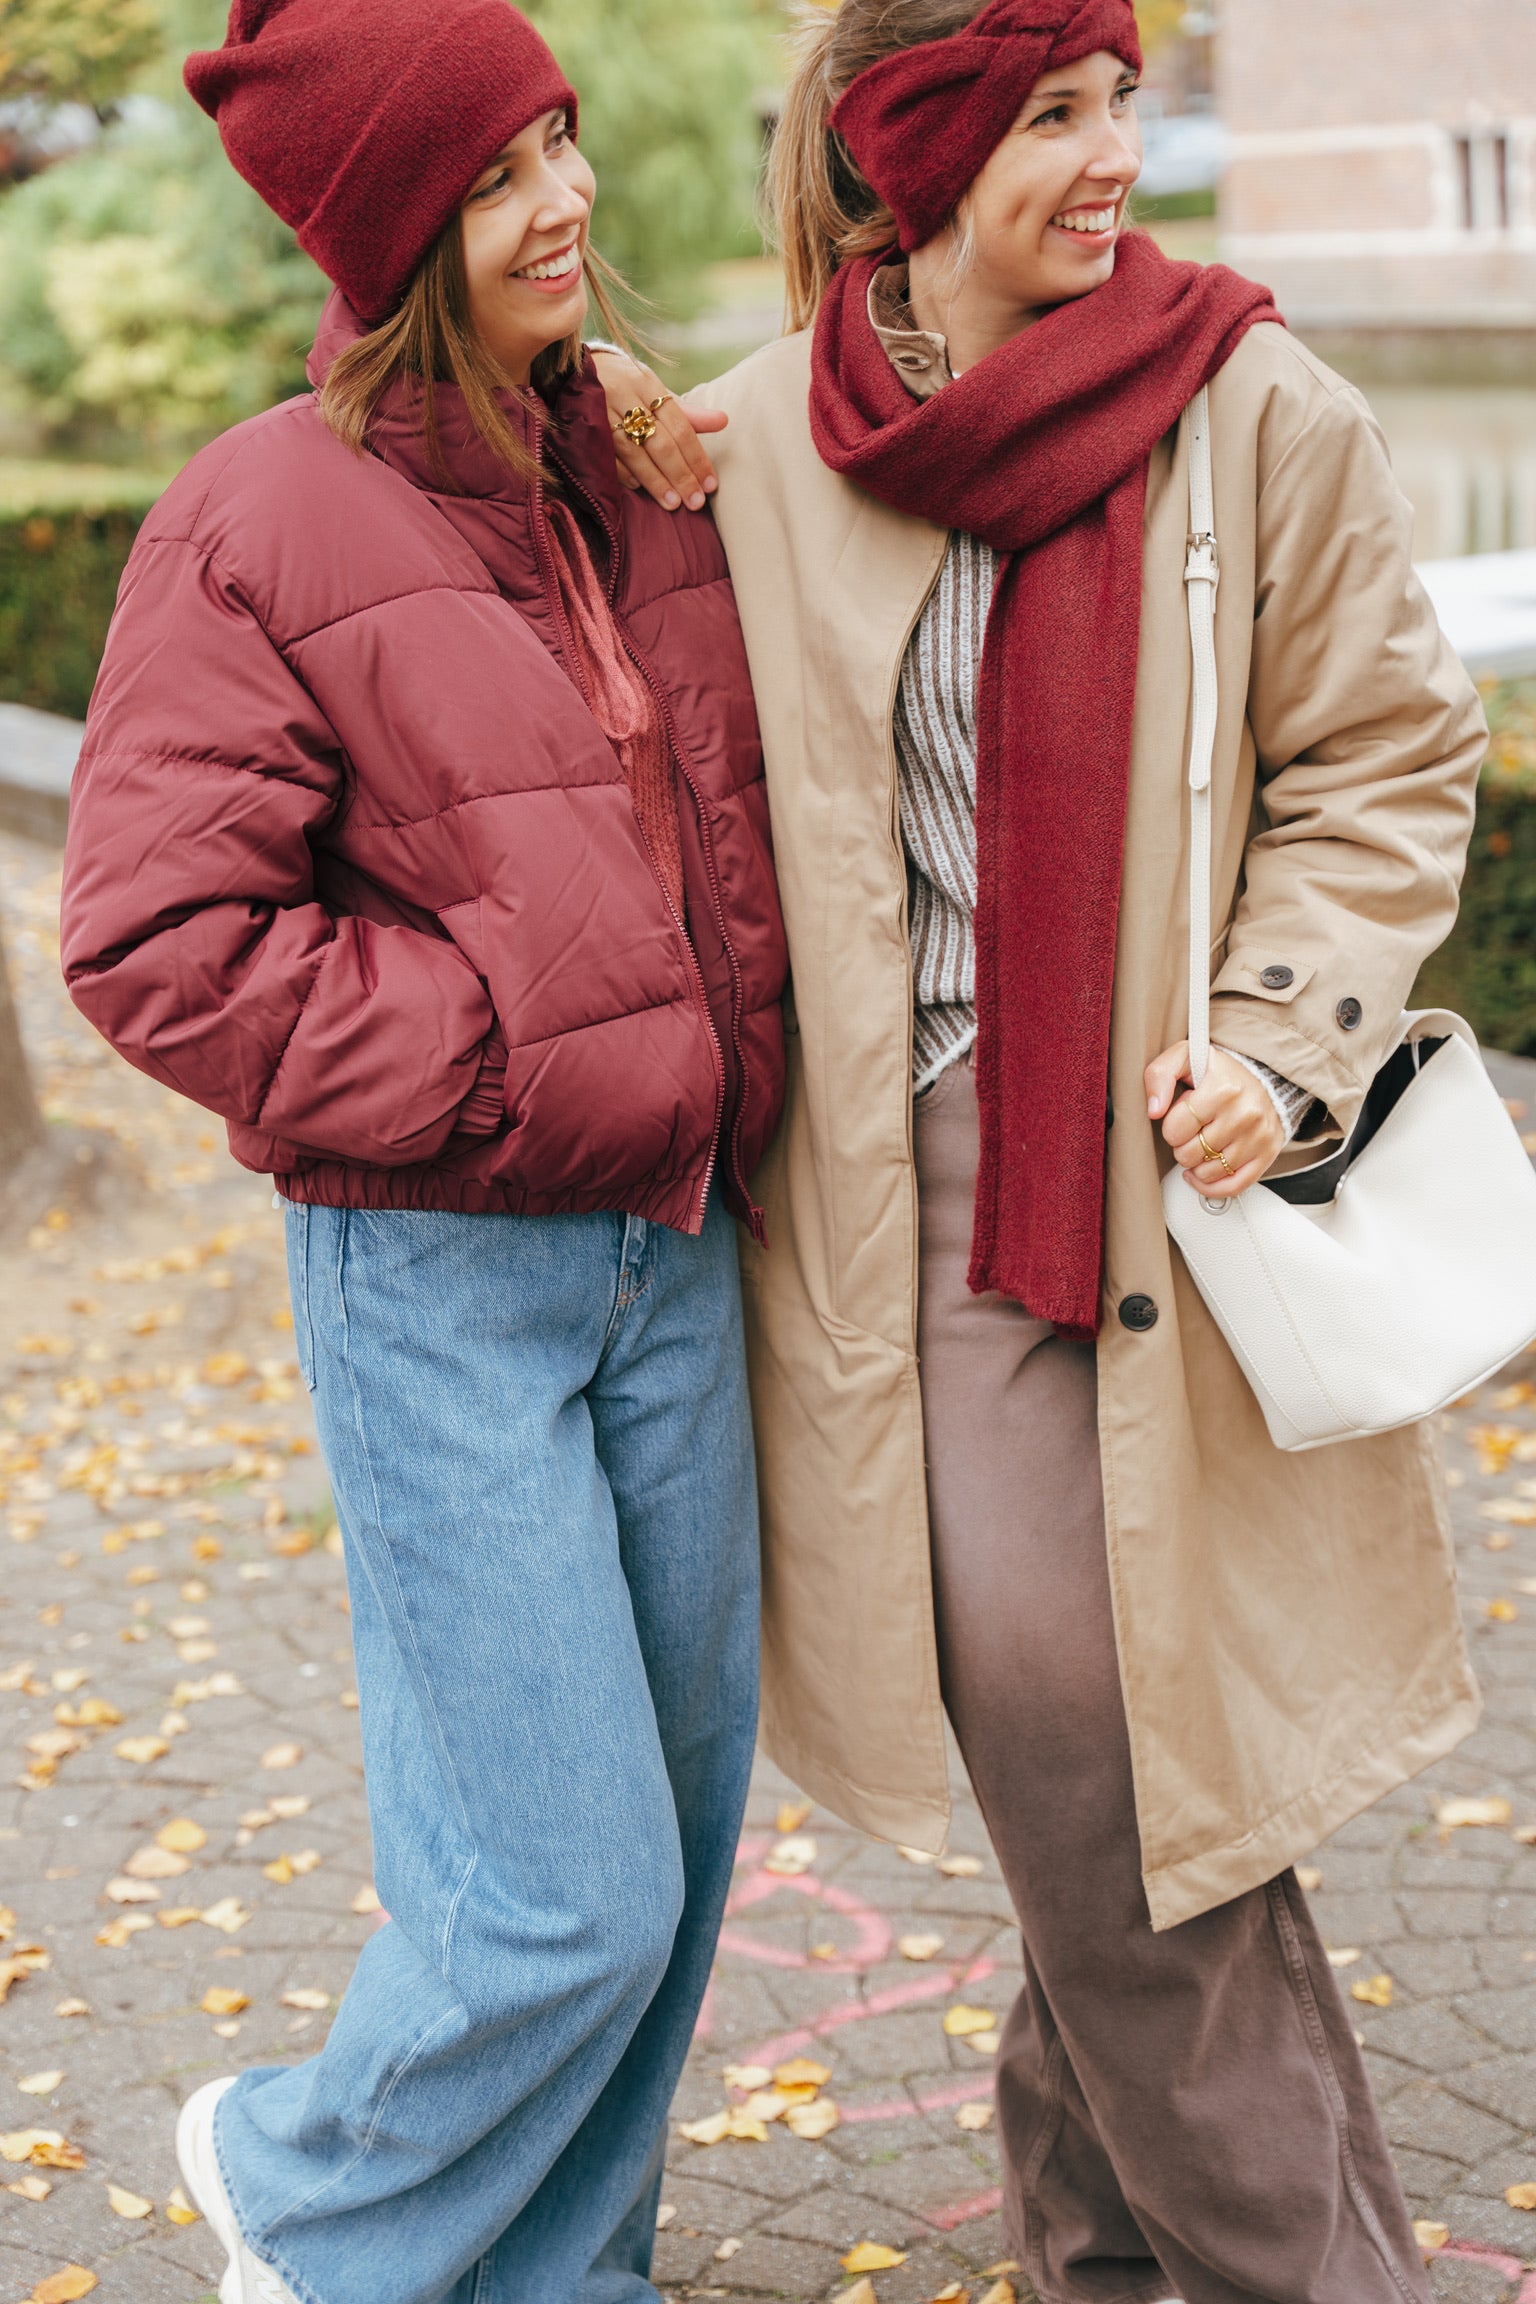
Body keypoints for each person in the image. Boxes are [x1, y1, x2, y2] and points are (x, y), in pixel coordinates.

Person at [591, 0, 1486, 2295]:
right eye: (1059, 116)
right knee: (1102, 1771)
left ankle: (1143, 2261)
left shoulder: (1253, 404)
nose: (1119, 157)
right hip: (911, 1221)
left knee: (1120, 1788)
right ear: (925, 147)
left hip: (1175, 1196)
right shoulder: (752, 446)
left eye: (1123, 102)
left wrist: (1280, 1040)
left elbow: (1385, 764)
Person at [58, 2, 786, 2298]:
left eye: (560, 141)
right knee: (555, 1888)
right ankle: (313, 2199)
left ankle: (573, 2276)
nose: (564, 196)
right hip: (446, 1271)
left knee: (667, 1856)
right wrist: (493, 1044)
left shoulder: (641, 467)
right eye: (496, 176)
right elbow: (156, 940)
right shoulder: (258, 513)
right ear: (395, 230)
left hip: (675, 1258)